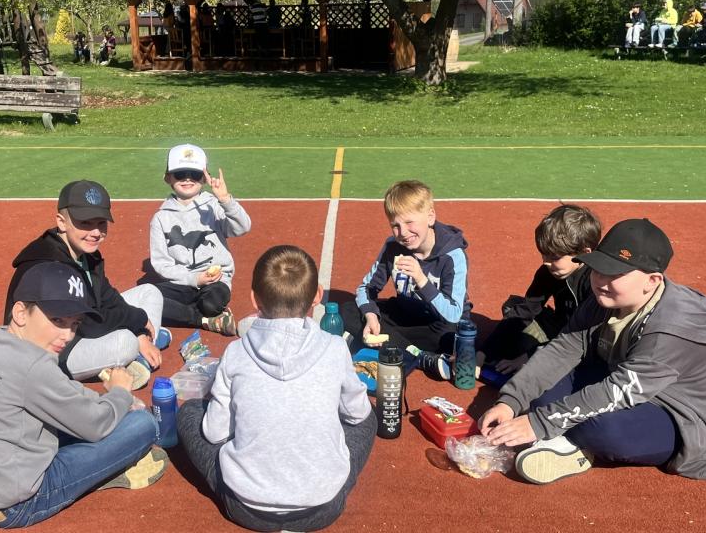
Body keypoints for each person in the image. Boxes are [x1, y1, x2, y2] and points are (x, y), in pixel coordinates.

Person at [480, 218, 706, 485]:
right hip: (622, 376)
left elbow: (620, 390)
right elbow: (563, 349)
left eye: (614, 274)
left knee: (603, 431)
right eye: (598, 269)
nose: (601, 281)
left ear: (652, 280)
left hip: (679, 410)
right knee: (541, 396)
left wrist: (539, 424)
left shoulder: (671, 329)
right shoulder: (605, 299)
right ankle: (571, 442)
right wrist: (510, 401)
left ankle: (574, 448)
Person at [0, 262, 168, 528]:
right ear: (21, 312)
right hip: (15, 503)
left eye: (74, 324)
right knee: (143, 424)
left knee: (79, 414)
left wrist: (102, 401)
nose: (67, 335)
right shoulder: (33, 366)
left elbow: (61, 391)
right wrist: (119, 392)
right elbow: (96, 425)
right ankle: (100, 475)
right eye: (57, 320)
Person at [177, 245, 376, 532]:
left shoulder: (236, 352)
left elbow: (215, 433)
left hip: (246, 508)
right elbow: (357, 414)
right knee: (368, 416)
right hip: (323, 507)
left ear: (254, 299)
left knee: (190, 411)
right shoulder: (335, 347)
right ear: (317, 296)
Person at [3, 180, 165, 390]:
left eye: (101, 223)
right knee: (125, 342)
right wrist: (137, 321)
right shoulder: (51, 265)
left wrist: (139, 330)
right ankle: (143, 350)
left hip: (78, 328)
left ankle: (145, 346)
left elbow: (107, 296)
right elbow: (89, 324)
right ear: (62, 222)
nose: (96, 232)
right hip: (51, 351)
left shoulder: (85, 253)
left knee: (150, 292)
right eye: (86, 223)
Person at [340, 180, 471, 380]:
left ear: (430, 216)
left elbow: (453, 314)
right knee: (348, 309)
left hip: (437, 323)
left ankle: (385, 342)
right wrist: (371, 316)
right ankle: (421, 357)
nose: (403, 233)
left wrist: (421, 280)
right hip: (406, 313)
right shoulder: (393, 247)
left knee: (449, 335)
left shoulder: (453, 256)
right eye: (395, 225)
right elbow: (366, 288)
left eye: (409, 223)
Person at [477, 204, 601, 375]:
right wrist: (483, 352)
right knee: (512, 310)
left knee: (551, 366)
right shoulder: (548, 272)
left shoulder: (598, 282)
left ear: (584, 253)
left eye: (554, 257)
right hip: (559, 326)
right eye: (543, 254)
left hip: (585, 339)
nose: (546, 262)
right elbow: (526, 310)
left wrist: (529, 357)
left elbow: (583, 335)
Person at [150, 144, 251, 335]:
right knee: (146, 297)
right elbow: (162, 264)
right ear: (168, 178)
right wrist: (194, 278)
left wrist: (226, 200)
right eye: (180, 174)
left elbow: (242, 227)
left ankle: (194, 313)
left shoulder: (214, 206)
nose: (187, 179)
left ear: (204, 178)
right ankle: (205, 321)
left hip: (215, 281)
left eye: (195, 174)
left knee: (210, 304)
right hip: (182, 282)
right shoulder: (161, 218)